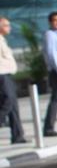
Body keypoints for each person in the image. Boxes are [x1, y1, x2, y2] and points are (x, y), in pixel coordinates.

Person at [0, 16, 26, 144]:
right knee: (8, 101)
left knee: (14, 105)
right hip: (2, 75)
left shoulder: (3, 40)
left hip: (8, 75)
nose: (9, 28)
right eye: (6, 25)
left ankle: (17, 135)